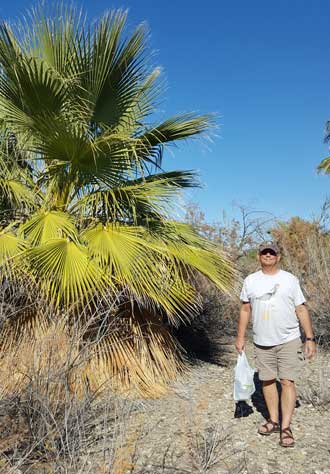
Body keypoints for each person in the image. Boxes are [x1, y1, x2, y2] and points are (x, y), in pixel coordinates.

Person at [235, 241, 316, 447]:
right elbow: (245, 310)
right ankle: (273, 421)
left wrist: (309, 338)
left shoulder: (290, 280)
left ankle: (286, 427)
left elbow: (301, 309)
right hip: (262, 342)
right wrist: (240, 337)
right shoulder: (251, 281)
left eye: (272, 253)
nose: (268, 255)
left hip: (288, 339)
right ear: (259, 256)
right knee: (268, 381)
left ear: (278, 257)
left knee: (287, 381)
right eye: (265, 252)